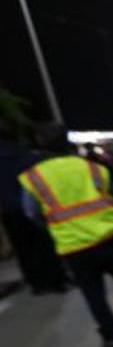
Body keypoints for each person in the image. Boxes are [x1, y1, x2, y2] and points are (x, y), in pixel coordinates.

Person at [18, 123, 113, 347]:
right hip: (109, 237)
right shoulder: (93, 168)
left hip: (74, 245)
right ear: (67, 142)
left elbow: (32, 213)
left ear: (41, 145)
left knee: (94, 295)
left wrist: (56, 228)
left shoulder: (34, 178)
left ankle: (111, 336)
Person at [1, 121, 69, 293]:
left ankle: (37, 284)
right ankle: (57, 280)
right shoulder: (27, 155)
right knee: (45, 244)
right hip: (34, 205)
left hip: (10, 211)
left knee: (24, 250)